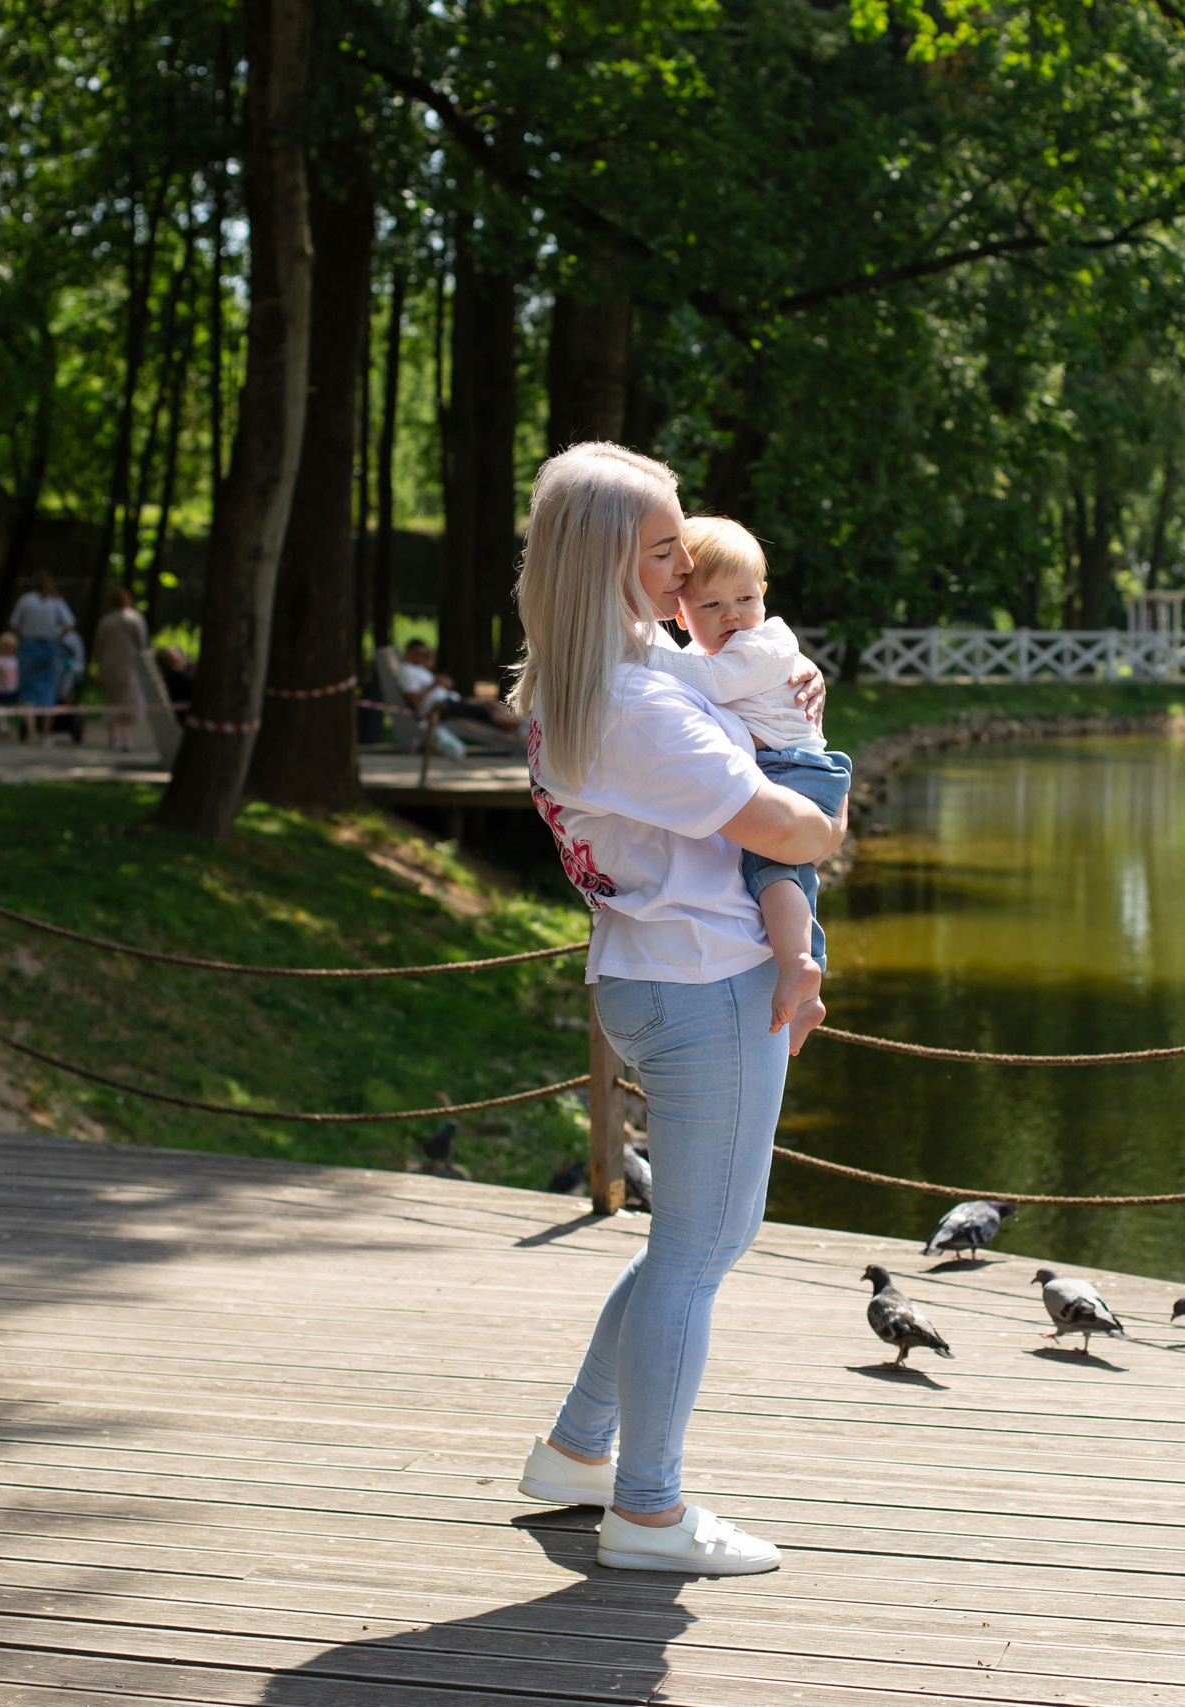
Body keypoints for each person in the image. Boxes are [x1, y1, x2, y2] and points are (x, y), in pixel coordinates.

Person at [508, 441, 839, 1576]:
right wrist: (825, 804)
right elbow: (794, 831)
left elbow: (735, 704)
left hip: (649, 975)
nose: (681, 568)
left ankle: (577, 1451)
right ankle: (646, 1513)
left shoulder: (584, 673)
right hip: (706, 981)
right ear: (605, 560)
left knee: (688, 1246)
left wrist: (788, 690)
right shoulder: (636, 707)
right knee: (700, 1250)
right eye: (660, 551)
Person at [644, 516, 848, 1052]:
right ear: (682, 616)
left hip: (796, 770)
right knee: (795, 879)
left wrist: (628, 653)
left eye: (743, 598)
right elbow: (699, 675)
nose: (732, 614)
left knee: (770, 867)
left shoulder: (767, 644)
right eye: (710, 606)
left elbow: (711, 683)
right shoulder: (704, 657)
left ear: (763, 594)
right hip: (790, 767)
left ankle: (795, 964)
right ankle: (806, 990)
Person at [398, 638, 520, 732]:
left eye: (425, 654)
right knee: (482, 710)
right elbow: (413, 698)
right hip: (439, 707)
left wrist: (442, 683)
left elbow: (433, 679)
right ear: (410, 652)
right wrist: (435, 684)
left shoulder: (419, 669)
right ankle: (517, 727)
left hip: (450, 699)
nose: (422, 658)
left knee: (490, 701)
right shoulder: (406, 671)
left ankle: (518, 722)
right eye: (419, 654)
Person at [9, 573, 76, 744]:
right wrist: (57, 635)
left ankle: (31, 733)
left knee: (28, 692)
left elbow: (14, 623)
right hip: (50, 646)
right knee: (49, 690)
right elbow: (70, 624)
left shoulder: (26, 599)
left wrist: (24, 635)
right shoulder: (56, 601)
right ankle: (46, 734)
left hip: (29, 646)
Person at [92, 588, 151, 752]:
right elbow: (142, 645)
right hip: (129, 664)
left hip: (109, 665)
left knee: (111, 700)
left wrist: (98, 667)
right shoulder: (135, 618)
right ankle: (127, 738)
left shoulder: (106, 621)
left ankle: (112, 738)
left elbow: (98, 647)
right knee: (130, 701)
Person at [0, 632, 21, 735]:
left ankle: (8, 724)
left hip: (12, 688)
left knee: (11, 707)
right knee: (2, 707)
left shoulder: (15, 660)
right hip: (1, 688)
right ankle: (3, 725)